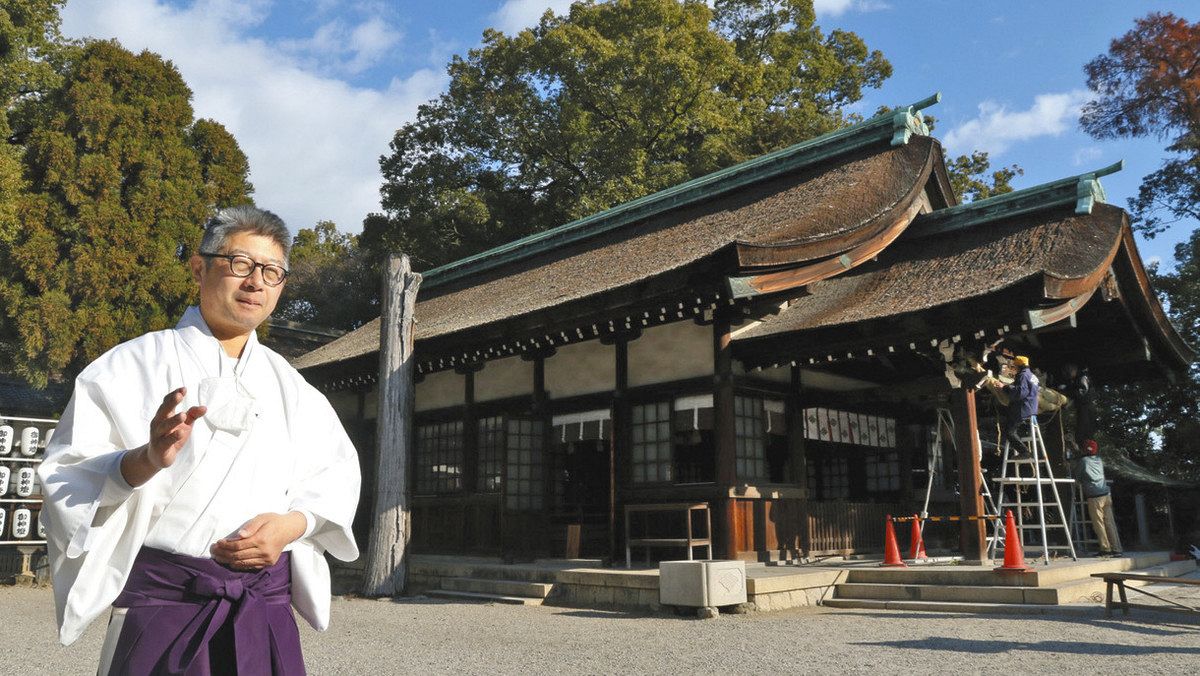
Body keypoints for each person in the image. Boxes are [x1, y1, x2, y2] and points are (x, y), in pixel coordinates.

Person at [37, 206, 361, 674]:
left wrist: (292, 526)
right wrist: (144, 461)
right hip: (165, 609)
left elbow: (336, 478)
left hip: (262, 611)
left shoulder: (294, 388)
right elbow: (66, 476)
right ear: (198, 266)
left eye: (271, 272)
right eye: (240, 264)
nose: (255, 283)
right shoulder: (128, 366)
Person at [1073, 439, 1123, 557]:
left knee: (1098, 523)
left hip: (1094, 496)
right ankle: (1117, 548)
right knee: (1110, 523)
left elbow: (1078, 476)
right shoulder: (1099, 460)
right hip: (1106, 494)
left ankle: (1105, 549)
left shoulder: (1083, 461)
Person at [1001, 355, 1040, 456]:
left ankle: (1024, 452)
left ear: (1018, 366)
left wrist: (1004, 387)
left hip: (1023, 409)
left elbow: (1020, 392)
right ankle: (1024, 451)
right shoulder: (1032, 375)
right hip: (1031, 409)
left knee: (1009, 431)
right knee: (1012, 430)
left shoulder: (1022, 376)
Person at [1061, 362, 1096, 449]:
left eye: (1068, 373)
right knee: (1080, 428)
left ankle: (1085, 447)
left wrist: (1066, 390)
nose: (1068, 376)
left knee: (1084, 429)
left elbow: (1081, 393)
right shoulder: (1076, 379)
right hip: (1081, 407)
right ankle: (1081, 446)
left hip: (1086, 407)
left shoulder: (1083, 378)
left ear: (1073, 371)